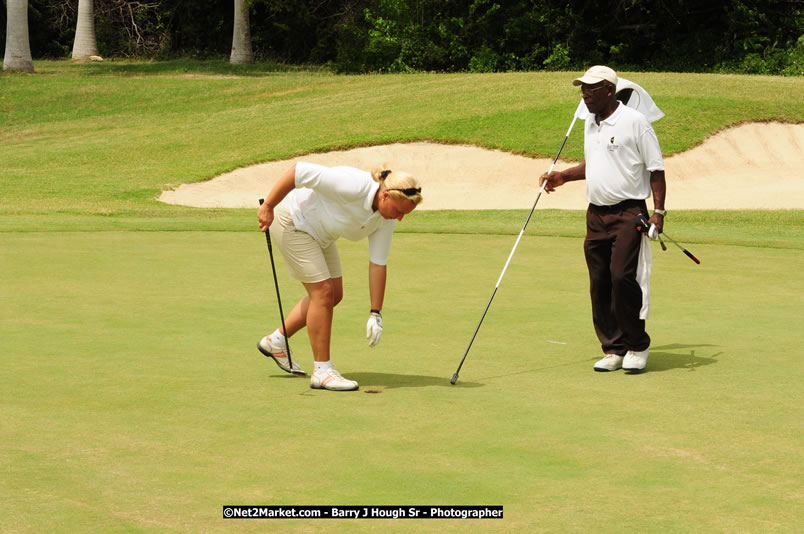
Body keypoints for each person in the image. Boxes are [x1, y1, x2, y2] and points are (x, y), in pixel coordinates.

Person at [539, 65, 666, 373]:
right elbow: (596, 162)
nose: (584, 95)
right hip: (595, 214)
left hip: (629, 212)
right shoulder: (590, 123)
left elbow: (656, 169)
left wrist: (658, 212)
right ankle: (613, 348)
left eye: (591, 90)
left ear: (609, 90)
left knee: (622, 277)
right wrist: (563, 176)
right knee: (600, 283)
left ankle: (637, 345)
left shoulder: (635, 122)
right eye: (582, 89)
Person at [257, 161, 423, 390]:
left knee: (334, 294)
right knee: (323, 293)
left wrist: (375, 313)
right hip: (293, 220)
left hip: (321, 234)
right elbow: (298, 171)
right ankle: (322, 371)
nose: (400, 218)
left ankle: (276, 341)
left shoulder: (386, 218)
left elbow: (378, 263)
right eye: (399, 211)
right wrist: (268, 206)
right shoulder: (353, 184)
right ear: (385, 196)